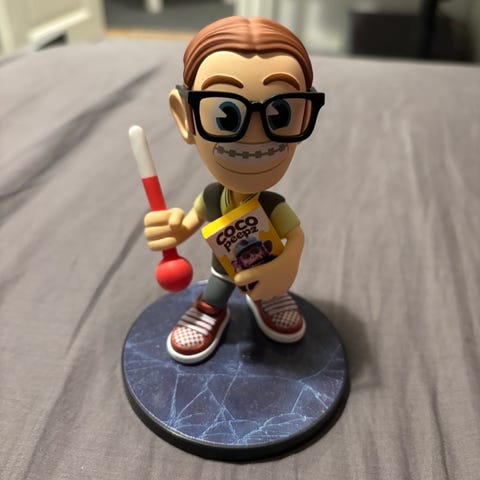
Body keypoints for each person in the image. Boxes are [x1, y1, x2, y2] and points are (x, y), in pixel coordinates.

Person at [144, 16, 325, 364]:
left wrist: (285, 266)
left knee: (266, 286)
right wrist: (172, 230)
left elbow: (296, 235)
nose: (254, 140)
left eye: (280, 114)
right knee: (215, 292)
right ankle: (211, 309)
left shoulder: (271, 204)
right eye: (226, 115)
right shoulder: (212, 198)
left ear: (304, 117)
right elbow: (188, 225)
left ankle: (268, 297)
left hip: (266, 267)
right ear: (185, 117)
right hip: (222, 269)